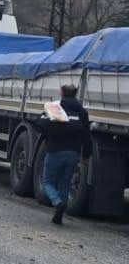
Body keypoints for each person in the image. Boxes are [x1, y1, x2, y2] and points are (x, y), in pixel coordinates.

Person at [37, 84, 92, 225]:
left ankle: (57, 202)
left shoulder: (55, 107)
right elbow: (87, 135)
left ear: (61, 93)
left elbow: (41, 125)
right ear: (75, 94)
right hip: (73, 153)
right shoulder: (82, 112)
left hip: (55, 150)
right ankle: (59, 214)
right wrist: (86, 155)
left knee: (48, 181)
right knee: (65, 183)